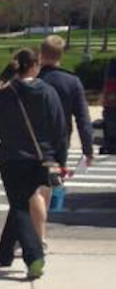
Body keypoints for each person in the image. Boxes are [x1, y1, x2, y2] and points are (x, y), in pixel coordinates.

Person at [0, 48, 68, 280]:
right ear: (35, 66)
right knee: (19, 202)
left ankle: (33, 256)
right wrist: (61, 159)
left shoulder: (3, 95)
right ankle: (4, 253)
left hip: (12, 159)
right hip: (43, 159)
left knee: (20, 206)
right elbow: (60, 129)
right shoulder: (49, 92)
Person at [38, 35, 94, 215]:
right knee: (51, 185)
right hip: (59, 142)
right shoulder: (72, 82)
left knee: (31, 187)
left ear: (41, 54)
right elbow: (83, 119)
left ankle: (31, 229)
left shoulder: (34, 80)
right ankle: (40, 227)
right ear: (60, 55)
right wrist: (88, 149)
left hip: (30, 141)